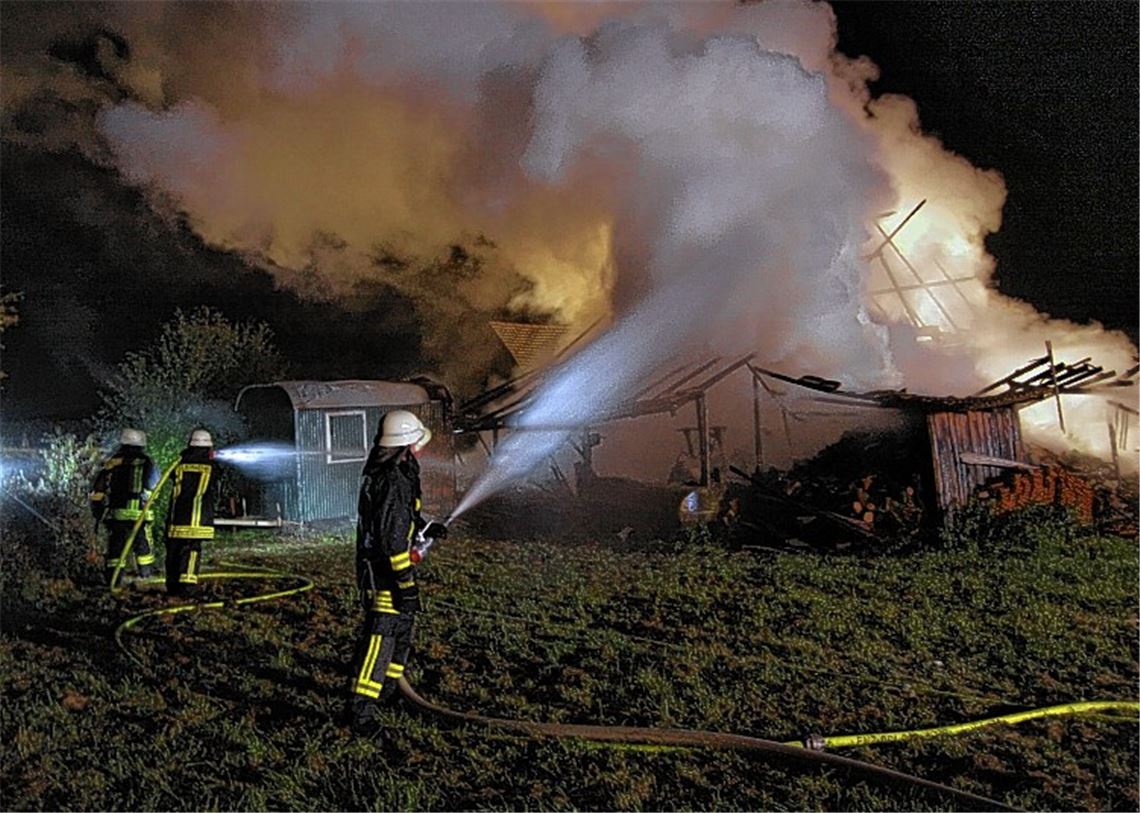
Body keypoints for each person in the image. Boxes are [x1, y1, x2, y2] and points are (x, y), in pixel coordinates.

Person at [348, 409, 446, 734]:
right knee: (381, 638)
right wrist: (405, 584)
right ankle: (361, 712)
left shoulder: (399, 473)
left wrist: (426, 527)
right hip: (385, 576)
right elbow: (391, 543)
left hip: (392, 572)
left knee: (401, 633)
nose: (421, 448)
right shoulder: (391, 481)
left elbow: (401, 521)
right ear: (406, 444)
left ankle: (389, 692)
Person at [90, 428, 159, 582]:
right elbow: (154, 485)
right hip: (139, 514)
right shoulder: (147, 462)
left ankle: (114, 577)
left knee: (116, 546)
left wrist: (97, 509)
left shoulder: (111, 462)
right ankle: (146, 574)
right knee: (143, 546)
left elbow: (98, 489)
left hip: (116, 514)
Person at [164, 429, 218, 597]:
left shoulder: (179, 464)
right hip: (197, 517)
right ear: (208, 448)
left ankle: (172, 586)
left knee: (173, 550)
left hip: (177, 516)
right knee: (191, 550)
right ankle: (187, 587)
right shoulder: (212, 467)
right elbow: (216, 479)